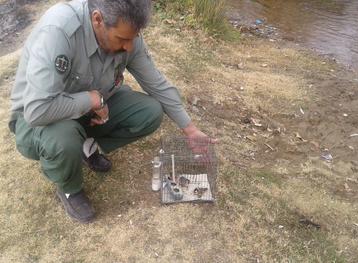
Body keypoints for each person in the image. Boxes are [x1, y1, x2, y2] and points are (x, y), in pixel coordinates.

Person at [9, 0, 215, 223]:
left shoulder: (127, 35)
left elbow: (156, 83)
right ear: (97, 19)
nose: (128, 47)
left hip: (90, 110)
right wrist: (91, 99)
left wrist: (190, 129)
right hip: (38, 121)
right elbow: (37, 109)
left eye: (133, 38)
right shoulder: (59, 31)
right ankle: (69, 188)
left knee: (150, 112)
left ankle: (86, 147)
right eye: (123, 39)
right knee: (63, 138)